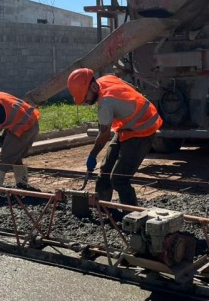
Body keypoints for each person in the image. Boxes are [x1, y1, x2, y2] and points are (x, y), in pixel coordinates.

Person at [67, 68, 162, 206]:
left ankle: (131, 217)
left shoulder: (105, 104)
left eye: (85, 97)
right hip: (127, 128)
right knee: (105, 172)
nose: (86, 102)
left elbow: (104, 135)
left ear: (93, 87)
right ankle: (104, 209)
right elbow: (131, 87)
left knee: (119, 179)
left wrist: (92, 155)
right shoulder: (105, 80)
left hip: (143, 129)